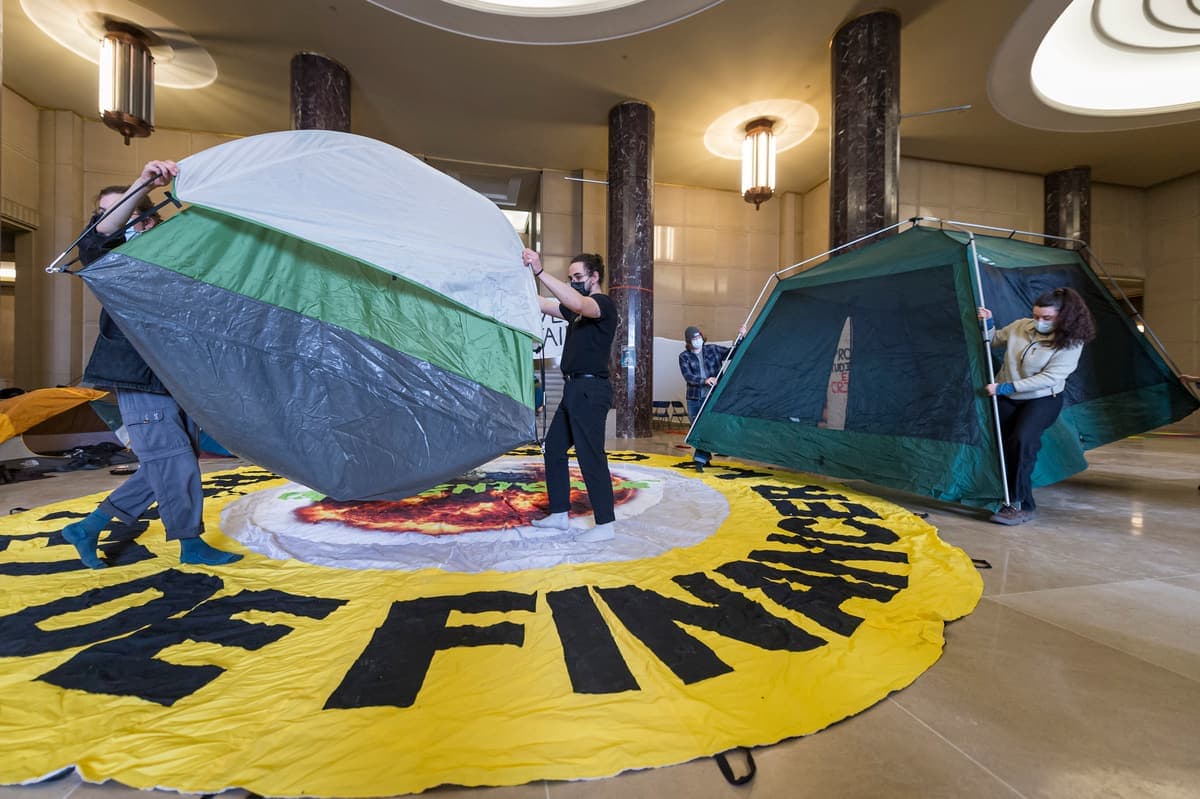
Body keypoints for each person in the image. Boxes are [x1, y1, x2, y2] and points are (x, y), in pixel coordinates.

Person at [59, 160, 242, 568]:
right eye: (119, 208)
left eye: (140, 210)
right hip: (137, 377)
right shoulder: (109, 260)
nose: (130, 216)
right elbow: (101, 237)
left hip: (176, 376)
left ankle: (88, 527)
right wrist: (142, 183)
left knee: (168, 462)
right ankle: (190, 545)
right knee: (174, 463)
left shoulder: (170, 259)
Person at [978, 287, 1096, 525]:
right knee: (996, 441)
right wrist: (987, 322)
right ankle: (998, 494)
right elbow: (992, 340)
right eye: (1036, 316)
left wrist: (1006, 388)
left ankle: (1022, 504)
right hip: (1007, 395)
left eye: (1047, 318)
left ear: (1065, 316)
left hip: (1042, 399)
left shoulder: (1071, 343)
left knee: (1022, 441)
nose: (1039, 322)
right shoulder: (1021, 326)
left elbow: (1050, 377)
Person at [522, 249, 617, 542]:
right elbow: (545, 304)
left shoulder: (602, 304)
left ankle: (605, 525)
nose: (573, 282)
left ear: (594, 277)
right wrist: (520, 279)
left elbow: (576, 301)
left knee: (591, 456)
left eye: (578, 277)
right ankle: (560, 514)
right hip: (573, 388)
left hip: (591, 389)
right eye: (570, 278)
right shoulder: (576, 315)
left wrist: (540, 272)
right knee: (553, 448)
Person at [678, 323, 745, 471]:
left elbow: (733, 353)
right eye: (694, 338)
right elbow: (688, 376)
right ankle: (705, 457)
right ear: (689, 341)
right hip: (694, 398)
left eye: (699, 336)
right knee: (696, 428)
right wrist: (704, 381)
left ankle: (699, 459)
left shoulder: (713, 349)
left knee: (706, 427)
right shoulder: (684, 357)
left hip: (712, 397)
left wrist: (740, 337)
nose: (697, 339)